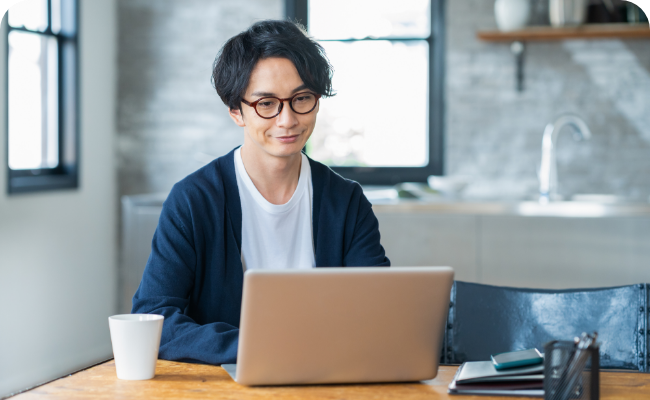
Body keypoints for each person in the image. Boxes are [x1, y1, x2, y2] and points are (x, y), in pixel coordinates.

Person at [132, 20, 390, 365]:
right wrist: (260, 348)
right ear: (236, 112)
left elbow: (380, 313)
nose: (288, 120)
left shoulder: (345, 201)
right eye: (267, 104)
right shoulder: (193, 200)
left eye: (302, 99)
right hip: (226, 384)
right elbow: (154, 320)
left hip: (325, 379)